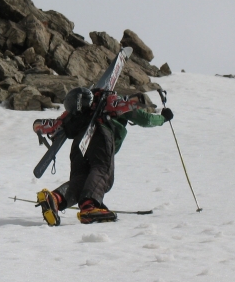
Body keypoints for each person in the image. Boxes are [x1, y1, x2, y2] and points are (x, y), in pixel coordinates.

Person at [36, 87, 173, 225]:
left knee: (81, 178)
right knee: (102, 170)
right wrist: (163, 118)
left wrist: (38, 126)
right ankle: (89, 207)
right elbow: (144, 119)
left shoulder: (76, 113)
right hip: (100, 135)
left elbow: (54, 126)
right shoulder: (108, 101)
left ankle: (55, 198)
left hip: (79, 143)